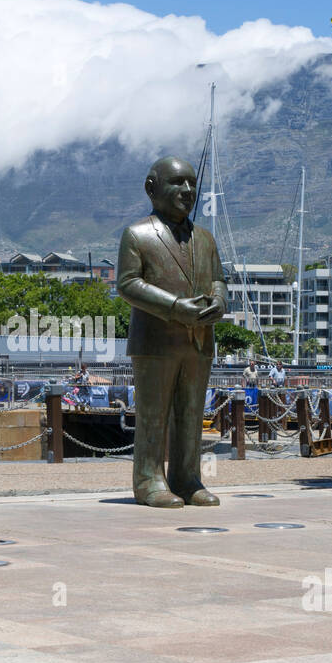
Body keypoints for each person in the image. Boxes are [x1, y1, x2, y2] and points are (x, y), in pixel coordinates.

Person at [117, 156, 227, 508]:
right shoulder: (137, 235)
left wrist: (220, 301)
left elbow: (218, 280)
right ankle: (149, 479)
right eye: (178, 182)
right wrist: (176, 308)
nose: (187, 190)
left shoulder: (205, 239)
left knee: (191, 414)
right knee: (153, 416)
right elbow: (128, 284)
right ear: (152, 188)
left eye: (192, 184)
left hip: (198, 342)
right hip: (155, 342)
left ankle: (187, 477)